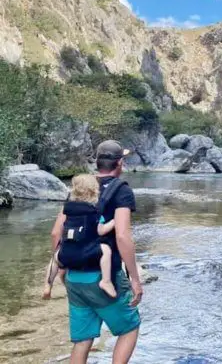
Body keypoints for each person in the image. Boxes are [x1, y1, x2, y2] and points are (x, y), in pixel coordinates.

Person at [50, 141, 142, 364]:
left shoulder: (78, 190)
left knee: (82, 340)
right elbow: (122, 236)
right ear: (119, 163)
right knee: (129, 328)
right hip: (103, 277)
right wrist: (135, 281)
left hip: (74, 277)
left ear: (97, 162)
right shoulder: (121, 191)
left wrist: (61, 268)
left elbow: (56, 233)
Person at [42, 174, 117, 300]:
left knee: (55, 258)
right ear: (94, 191)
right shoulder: (94, 211)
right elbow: (101, 230)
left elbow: (56, 233)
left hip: (66, 254)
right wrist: (115, 221)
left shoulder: (68, 209)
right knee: (106, 250)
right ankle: (106, 281)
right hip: (85, 254)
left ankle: (47, 285)